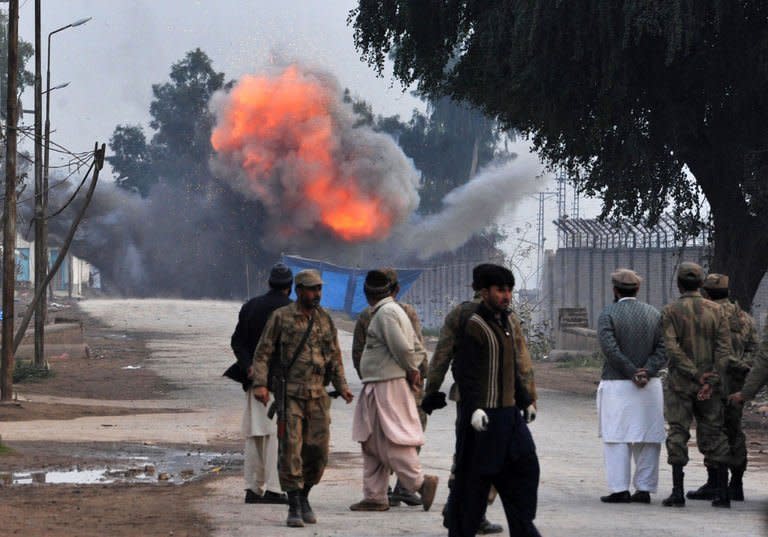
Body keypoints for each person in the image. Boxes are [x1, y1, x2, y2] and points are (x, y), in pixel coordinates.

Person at [251, 269, 355, 527]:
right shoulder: (281, 317)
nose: (316, 294)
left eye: (319, 289)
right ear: (298, 290)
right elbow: (263, 353)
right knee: (291, 451)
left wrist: (342, 385)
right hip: (291, 396)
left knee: (317, 453)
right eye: (311, 289)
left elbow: (334, 355)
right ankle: (294, 503)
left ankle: (305, 494)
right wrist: (261, 385)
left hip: (318, 396)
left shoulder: (325, 320)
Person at [448, 264, 541, 537]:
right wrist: (474, 408)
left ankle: (524, 528)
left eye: (509, 290)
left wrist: (525, 400)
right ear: (484, 292)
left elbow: (510, 366)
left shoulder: (506, 322)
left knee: (525, 468)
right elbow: (463, 371)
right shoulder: (475, 325)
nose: (507, 295)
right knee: (473, 485)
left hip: (509, 416)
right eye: (500, 290)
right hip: (482, 421)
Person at [421, 263, 503, 535]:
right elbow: (519, 363)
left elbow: (441, 356)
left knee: (466, 453)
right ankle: (471, 512)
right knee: (492, 457)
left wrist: (431, 391)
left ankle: (456, 506)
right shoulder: (504, 315)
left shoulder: (459, 314)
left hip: (467, 398)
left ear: (473, 287)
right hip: (499, 398)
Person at [350, 270, 439, 512]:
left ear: (368, 294)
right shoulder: (392, 311)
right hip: (379, 384)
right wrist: (415, 368)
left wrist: (411, 370)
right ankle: (375, 495)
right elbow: (418, 348)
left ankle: (420, 483)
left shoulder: (387, 313)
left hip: (386, 384)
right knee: (371, 442)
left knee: (392, 440)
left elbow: (403, 348)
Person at [660, 262, 732, 508]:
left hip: (680, 383)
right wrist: (710, 378)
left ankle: (677, 492)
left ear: (679, 283)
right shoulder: (718, 311)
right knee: (714, 431)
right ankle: (722, 492)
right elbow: (724, 351)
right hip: (710, 386)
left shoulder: (671, 311)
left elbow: (671, 348)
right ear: (701, 284)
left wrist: (693, 373)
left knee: (678, 432)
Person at [596, 269, 666, 504]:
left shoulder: (608, 314)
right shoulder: (654, 314)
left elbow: (610, 349)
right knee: (648, 438)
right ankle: (644, 489)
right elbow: (663, 349)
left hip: (617, 385)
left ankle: (619, 489)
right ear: (637, 289)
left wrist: (631, 371)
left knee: (616, 438)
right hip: (650, 386)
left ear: (615, 290)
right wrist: (647, 370)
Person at [229, 262, 293, 504]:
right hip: (282, 383)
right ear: (290, 287)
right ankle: (276, 489)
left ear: (269, 283)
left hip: (254, 380)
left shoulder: (251, 306)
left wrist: (249, 367)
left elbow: (237, 342)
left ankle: (252, 489)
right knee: (278, 435)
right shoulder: (292, 311)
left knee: (255, 434)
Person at [689, 273, 757, 501]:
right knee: (734, 430)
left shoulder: (706, 316)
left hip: (711, 381)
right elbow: (755, 350)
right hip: (736, 383)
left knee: (711, 429)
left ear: (705, 292)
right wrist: (741, 367)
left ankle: (715, 482)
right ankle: (736, 484)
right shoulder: (744, 318)